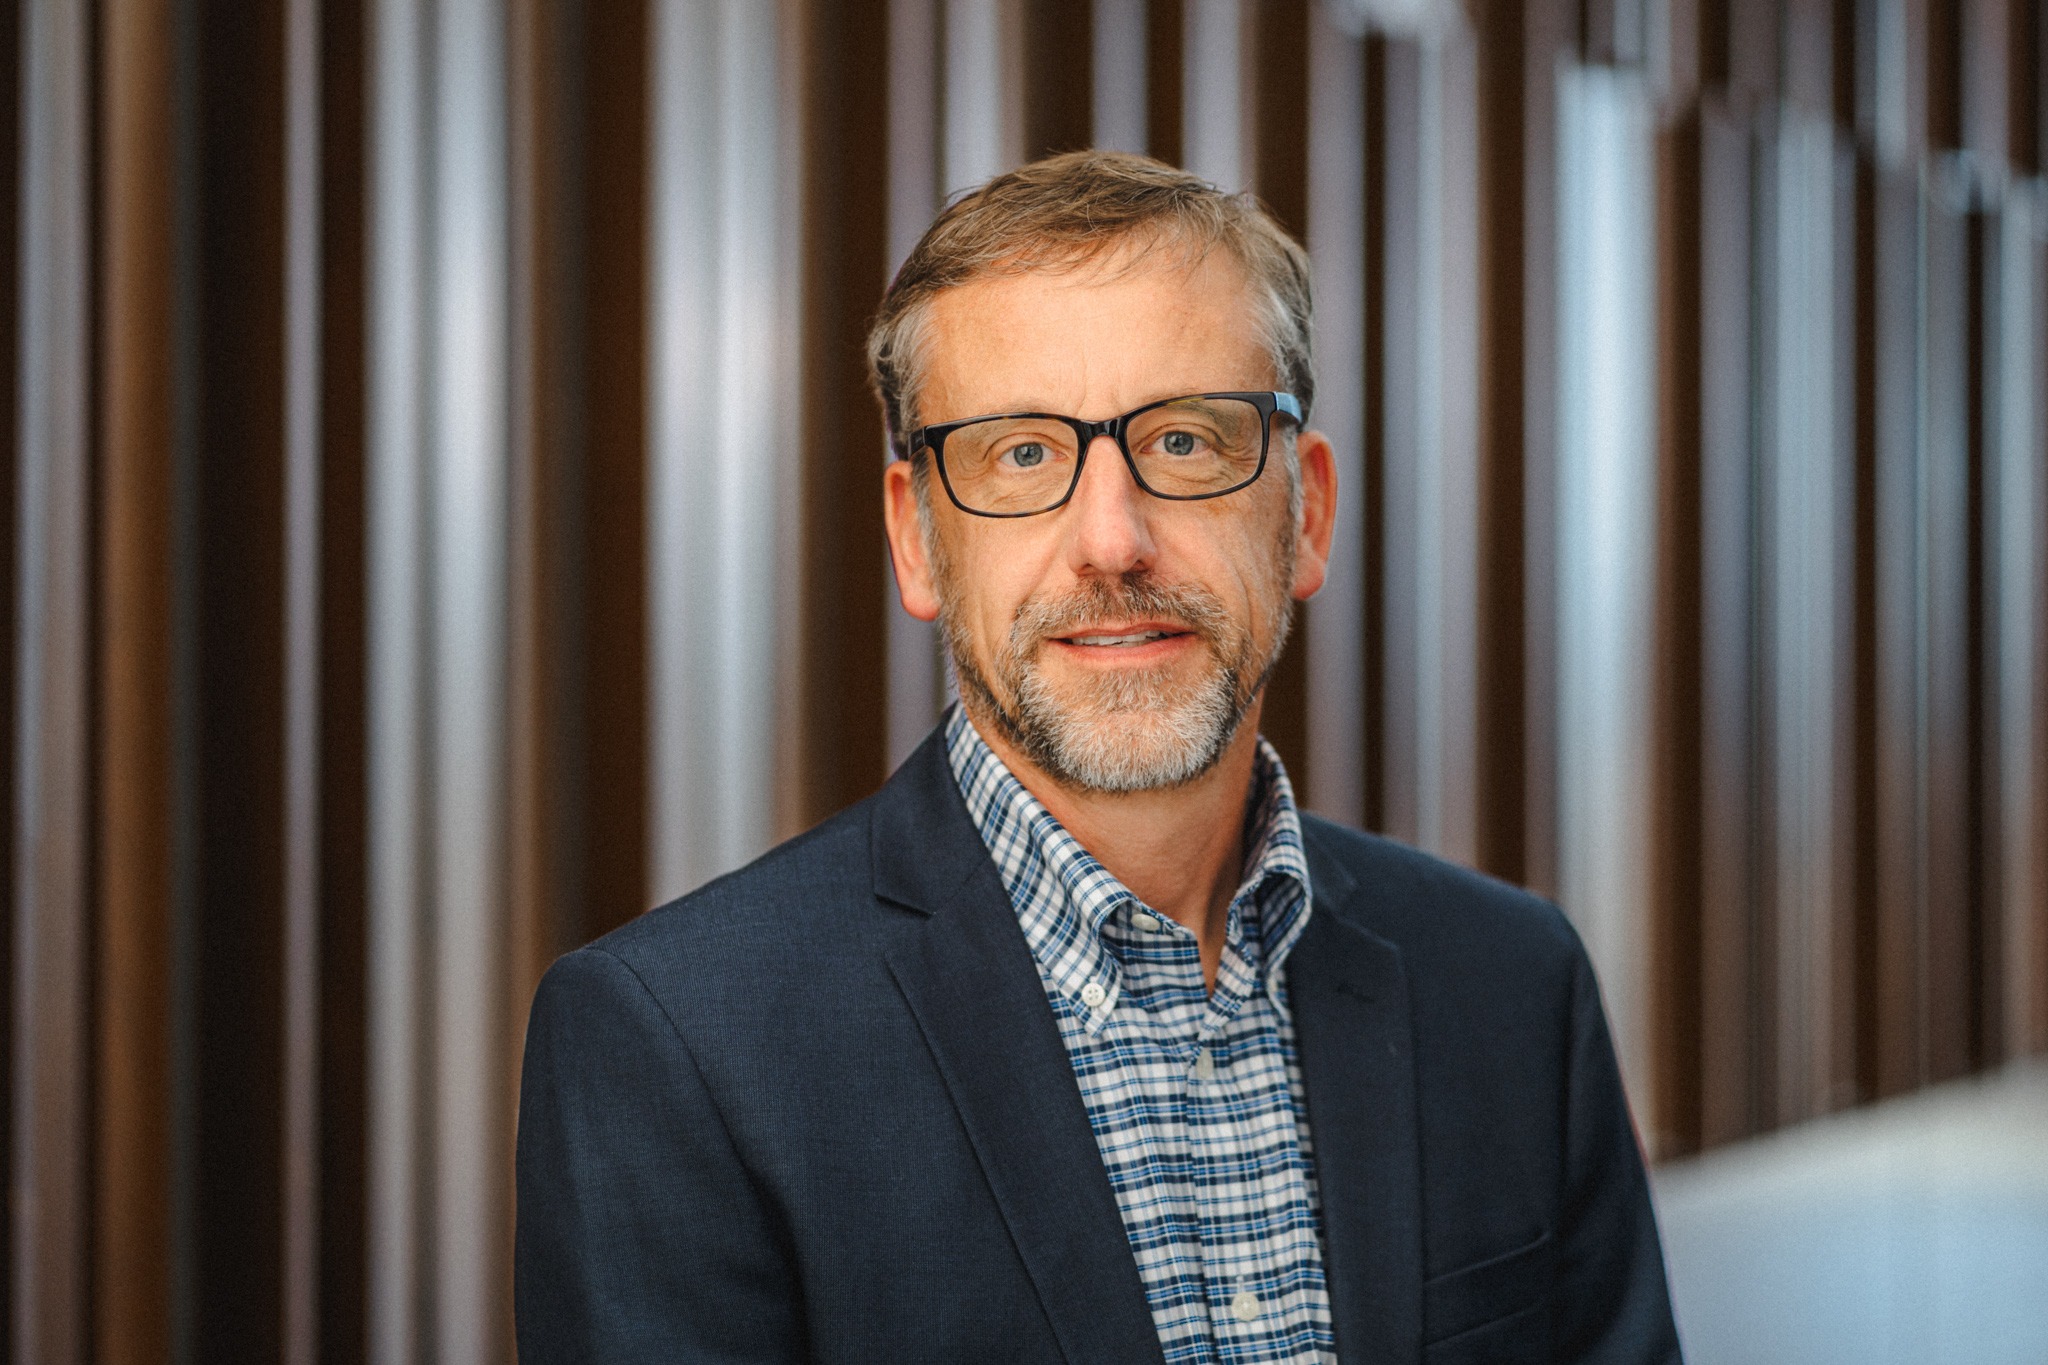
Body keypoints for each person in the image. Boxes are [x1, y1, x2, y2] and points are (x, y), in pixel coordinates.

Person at [514, 150, 1681, 1364]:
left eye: (1184, 441)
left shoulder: (1508, 983)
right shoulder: (679, 1050)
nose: (1111, 540)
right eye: (1020, 454)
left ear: (1307, 514)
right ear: (917, 539)